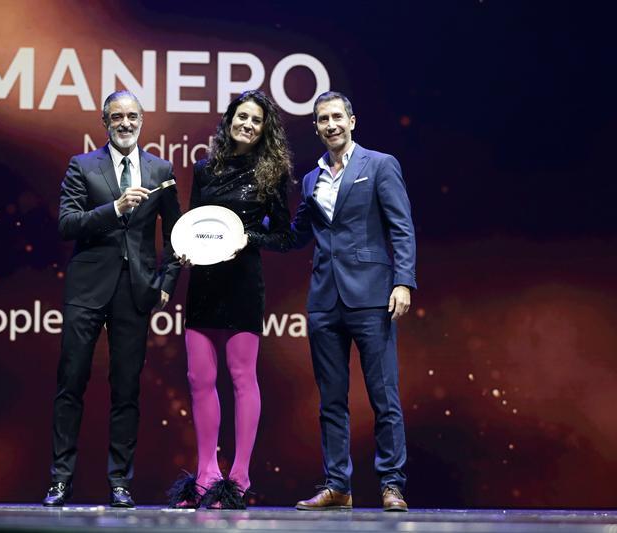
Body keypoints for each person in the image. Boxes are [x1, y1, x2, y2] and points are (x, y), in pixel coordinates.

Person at [43, 90, 181, 508]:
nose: (125, 123)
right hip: (87, 288)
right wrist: (115, 208)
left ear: (142, 120)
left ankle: (120, 480)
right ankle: (60, 479)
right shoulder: (82, 165)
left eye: (132, 116)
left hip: (135, 291)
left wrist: (166, 282)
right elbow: (67, 224)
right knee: (71, 383)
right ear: (104, 122)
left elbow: (176, 234)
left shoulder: (160, 169)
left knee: (126, 389)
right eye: (117, 116)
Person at [290, 91, 416, 512]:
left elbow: (401, 227)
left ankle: (392, 485)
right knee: (331, 400)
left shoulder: (379, 165)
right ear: (316, 127)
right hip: (325, 300)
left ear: (352, 121)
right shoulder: (311, 179)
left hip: (372, 296)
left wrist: (403, 282)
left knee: (384, 396)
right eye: (323, 119)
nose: (331, 125)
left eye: (337, 117)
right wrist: (246, 232)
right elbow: (298, 233)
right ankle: (338, 486)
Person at [167, 90, 292, 510]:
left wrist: (247, 238)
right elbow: (193, 224)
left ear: (264, 129)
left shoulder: (272, 172)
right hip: (204, 282)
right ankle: (206, 476)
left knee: (242, 377)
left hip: (243, 283)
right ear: (229, 120)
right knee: (198, 378)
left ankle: (238, 477)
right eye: (242, 117)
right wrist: (185, 251)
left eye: (256, 120)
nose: (248, 125)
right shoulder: (205, 169)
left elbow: (283, 235)